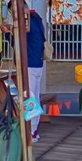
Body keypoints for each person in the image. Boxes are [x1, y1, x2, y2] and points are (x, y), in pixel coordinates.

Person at [27, 7, 46, 142]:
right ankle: (34, 129)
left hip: (30, 63)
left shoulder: (27, 22)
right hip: (38, 62)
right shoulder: (37, 19)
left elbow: (20, 41)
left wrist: (7, 33)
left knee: (30, 97)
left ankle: (31, 130)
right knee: (35, 96)